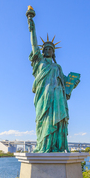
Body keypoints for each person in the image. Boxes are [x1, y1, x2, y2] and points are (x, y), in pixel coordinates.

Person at [27, 12, 72, 153]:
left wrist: (72, 82)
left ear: (53, 53)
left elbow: (65, 85)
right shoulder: (39, 62)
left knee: (57, 121)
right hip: (43, 97)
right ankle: (43, 145)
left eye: (50, 49)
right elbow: (34, 44)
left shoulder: (57, 67)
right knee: (43, 121)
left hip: (57, 98)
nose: (47, 50)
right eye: (45, 49)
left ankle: (56, 146)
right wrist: (32, 25)